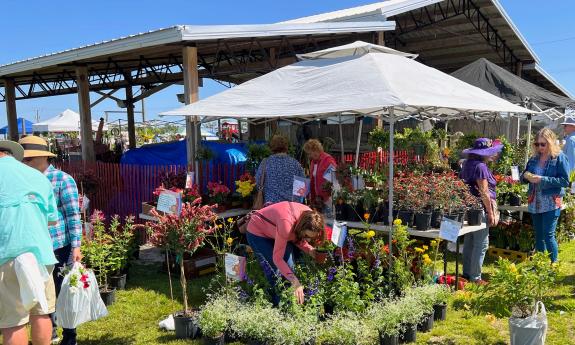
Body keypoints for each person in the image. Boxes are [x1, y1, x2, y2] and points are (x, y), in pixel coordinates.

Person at [19, 136, 83, 345]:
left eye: (28, 159)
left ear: (43, 157)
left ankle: (70, 335)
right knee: (40, 292)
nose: (24, 162)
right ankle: (50, 331)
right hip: (33, 246)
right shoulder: (24, 180)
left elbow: (73, 214)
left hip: (59, 246)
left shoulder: (62, 180)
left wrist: (76, 246)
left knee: (64, 292)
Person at [0, 140, 59, 345]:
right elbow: (52, 219)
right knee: (41, 312)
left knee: (13, 321)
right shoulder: (38, 177)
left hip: (6, 254)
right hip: (40, 255)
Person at [246, 201, 325, 305]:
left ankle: (291, 305)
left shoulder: (311, 217)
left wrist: (310, 250)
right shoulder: (287, 224)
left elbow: (297, 237)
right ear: (301, 227)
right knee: (275, 271)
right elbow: (277, 258)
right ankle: (280, 309)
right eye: (306, 236)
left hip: (278, 231)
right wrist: (295, 282)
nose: (308, 240)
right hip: (258, 232)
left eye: (311, 237)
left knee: (289, 269)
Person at [522, 128, 570, 263]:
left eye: (543, 144)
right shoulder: (533, 159)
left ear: (551, 142)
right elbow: (524, 175)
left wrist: (542, 179)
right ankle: (540, 265)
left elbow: (565, 181)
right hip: (534, 200)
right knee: (539, 235)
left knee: (548, 235)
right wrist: (526, 176)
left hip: (551, 201)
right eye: (537, 144)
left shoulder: (559, 157)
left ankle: (552, 266)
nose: (540, 147)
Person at [460, 138, 502, 284]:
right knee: (481, 243)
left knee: (470, 241)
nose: (492, 154)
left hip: (469, 207)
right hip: (479, 209)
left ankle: (466, 273)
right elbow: (484, 192)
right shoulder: (481, 167)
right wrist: (490, 212)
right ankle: (475, 277)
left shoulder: (467, 164)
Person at [255, 135, 305, 205]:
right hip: (290, 206)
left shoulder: (265, 163)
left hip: (270, 205)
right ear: (286, 146)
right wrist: (296, 201)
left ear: (272, 147)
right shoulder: (295, 164)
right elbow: (302, 187)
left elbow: (258, 182)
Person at [303, 139, 337, 217]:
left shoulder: (328, 160)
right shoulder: (313, 162)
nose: (309, 156)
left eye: (309, 153)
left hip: (328, 199)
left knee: (328, 222)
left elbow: (335, 178)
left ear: (315, 150)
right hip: (317, 200)